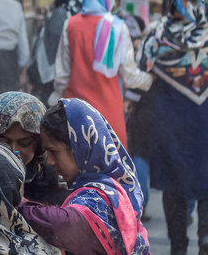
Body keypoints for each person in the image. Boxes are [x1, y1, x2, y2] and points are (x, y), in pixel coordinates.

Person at [137, 0, 208, 255]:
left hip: (168, 122)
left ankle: (178, 244)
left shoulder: (156, 38)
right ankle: (207, 237)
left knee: (174, 185)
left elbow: (141, 71)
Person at [19, 98, 150, 255]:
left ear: (80, 148)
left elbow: (65, 225)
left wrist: (17, 204)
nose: (50, 161)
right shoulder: (108, 184)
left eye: (54, 151)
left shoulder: (102, 195)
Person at [48, 0, 153, 148]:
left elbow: (62, 75)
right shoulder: (118, 27)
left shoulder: (71, 24)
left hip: (75, 111)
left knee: (74, 168)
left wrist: (56, 102)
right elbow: (129, 76)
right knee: (110, 169)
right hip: (108, 114)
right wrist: (152, 79)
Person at [0, 92, 69, 205]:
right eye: (3, 142)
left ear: (39, 146)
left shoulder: (55, 184)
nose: (13, 151)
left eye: (24, 143)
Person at [30, 0, 83, 103]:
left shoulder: (60, 14)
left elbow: (51, 47)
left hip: (53, 76)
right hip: (69, 76)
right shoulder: (77, 15)